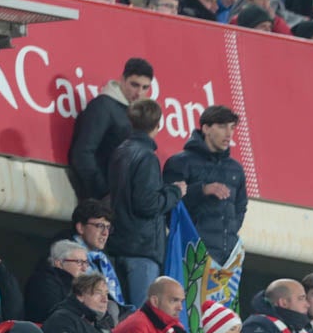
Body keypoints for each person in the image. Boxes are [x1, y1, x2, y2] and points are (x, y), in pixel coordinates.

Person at [105, 100, 184, 304]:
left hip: (118, 244)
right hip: (141, 249)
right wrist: (175, 192)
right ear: (158, 124)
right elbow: (147, 204)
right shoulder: (147, 157)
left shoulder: (119, 151)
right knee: (142, 315)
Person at [163, 105, 248, 278]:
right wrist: (201, 190)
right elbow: (168, 207)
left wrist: (230, 231)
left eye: (232, 128)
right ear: (206, 128)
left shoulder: (236, 169)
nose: (229, 134)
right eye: (222, 126)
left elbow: (240, 207)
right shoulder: (180, 162)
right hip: (189, 253)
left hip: (226, 260)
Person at [67, 58, 154, 200]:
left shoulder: (132, 112)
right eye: (134, 85)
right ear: (122, 79)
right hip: (101, 200)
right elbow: (82, 153)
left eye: (145, 88)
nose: (139, 92)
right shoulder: (103, 106)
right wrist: (103, 192)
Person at [24, 240, 89, 325]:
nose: (85, 268)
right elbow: (56, 316)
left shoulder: (78, 287)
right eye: (79, 262)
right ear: (59, 263)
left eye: (86, 263)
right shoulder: (44, 282)